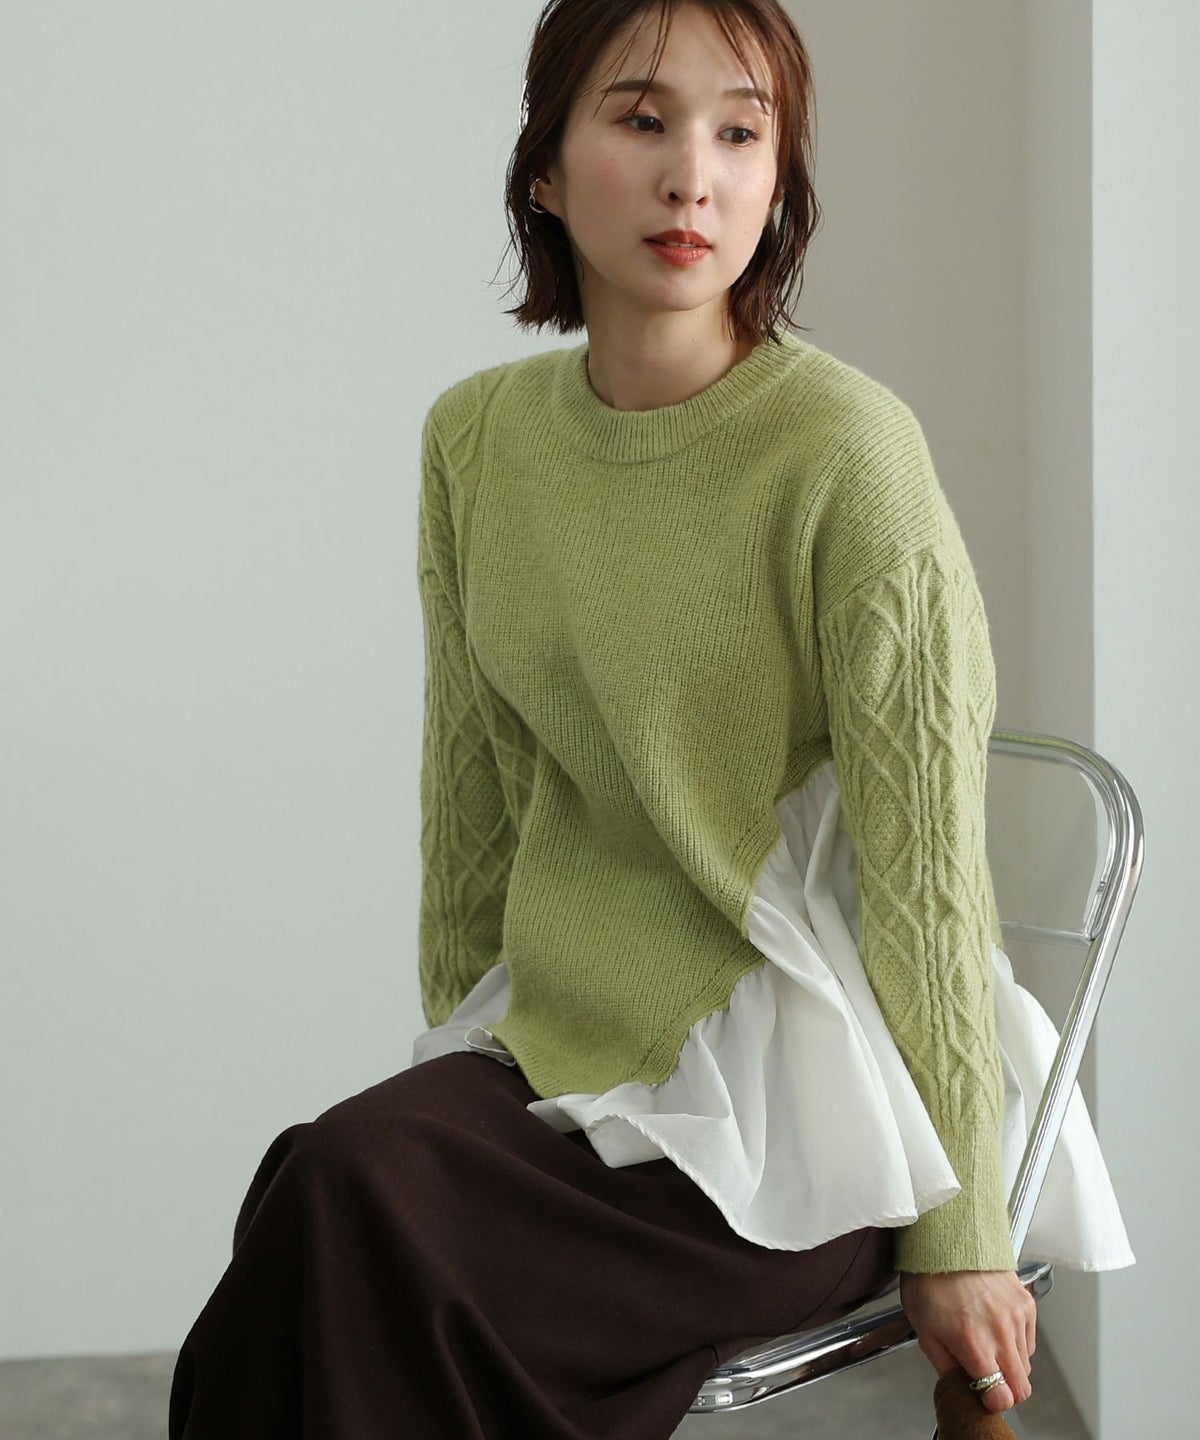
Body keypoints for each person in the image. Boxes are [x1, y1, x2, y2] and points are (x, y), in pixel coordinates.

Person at [168, 2, 1131, 1436]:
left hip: (810, 1118)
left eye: (741, 133)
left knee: (363, 1206)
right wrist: (463, 1073)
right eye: (641, 120)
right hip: (576, 1071)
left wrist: (962, 1230)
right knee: (334, 1187)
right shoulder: (479, 441)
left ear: (779, 181)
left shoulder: (847, 452)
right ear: (546, 171)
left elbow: (927, 882)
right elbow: (475, 794)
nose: (694, 176)